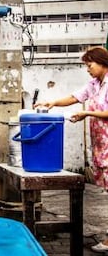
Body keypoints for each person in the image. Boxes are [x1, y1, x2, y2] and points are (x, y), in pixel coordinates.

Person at [34, 46, 108, 253]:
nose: (88, 69)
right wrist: (53, 103)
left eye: (90, 64)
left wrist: (86, 114)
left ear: (102, 63)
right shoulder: (95, 84)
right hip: (102, 145)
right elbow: (75, 97)